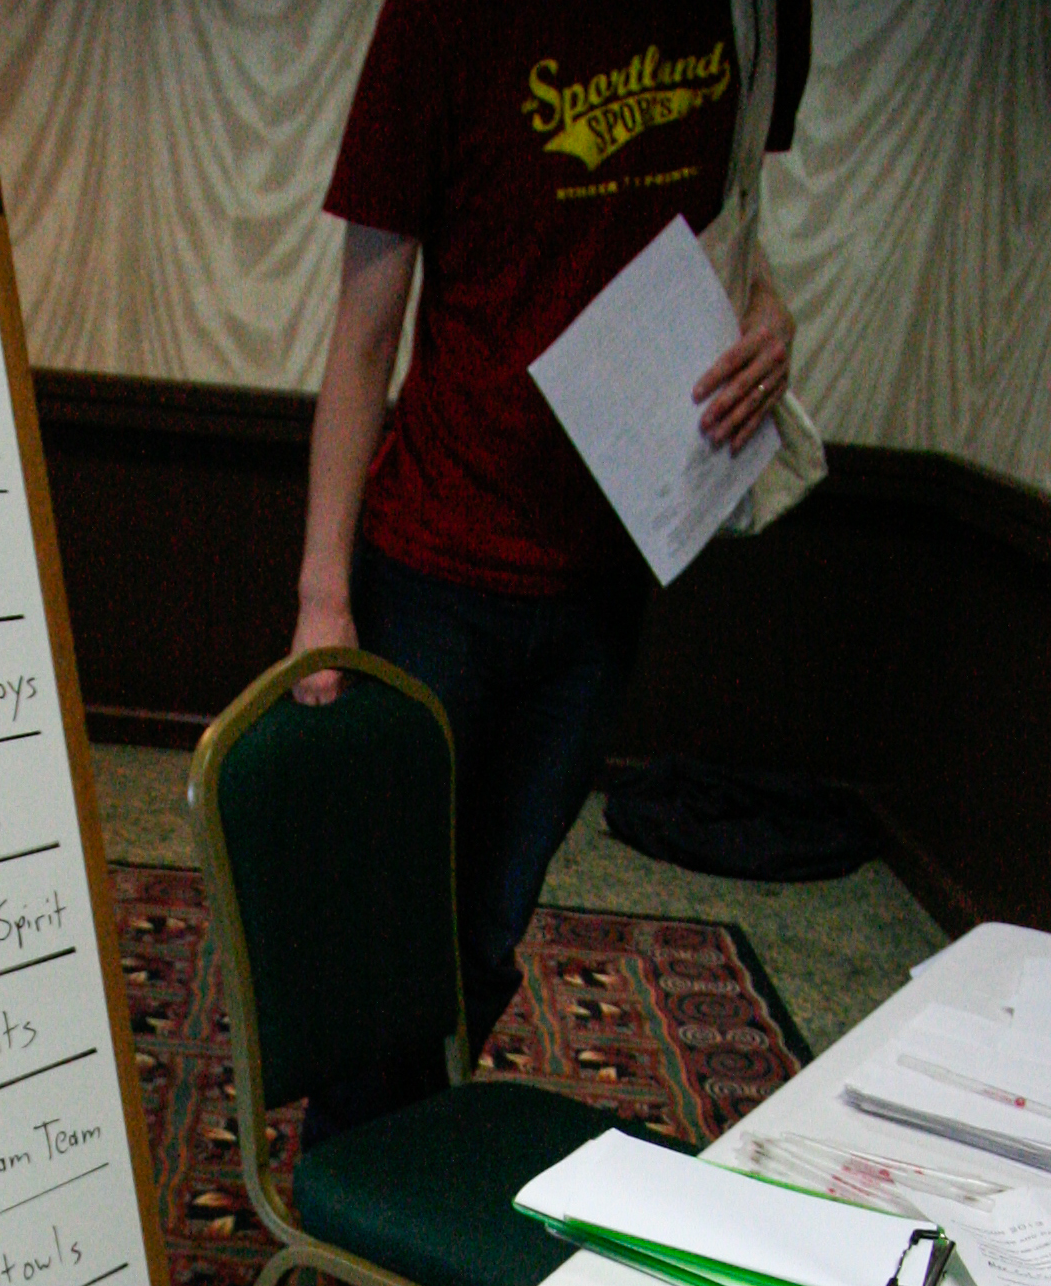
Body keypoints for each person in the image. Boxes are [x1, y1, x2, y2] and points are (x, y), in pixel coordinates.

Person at [292, 1, 812, 1128]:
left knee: (487, 931)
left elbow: (734, 229)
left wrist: (770, 317)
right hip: (433, 562)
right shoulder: (440, 21)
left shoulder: (755, 9)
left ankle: (417, 1149)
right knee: (387, 934)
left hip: (605, 575)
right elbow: (364, 323)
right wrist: (323, 598)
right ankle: (344, 1176)